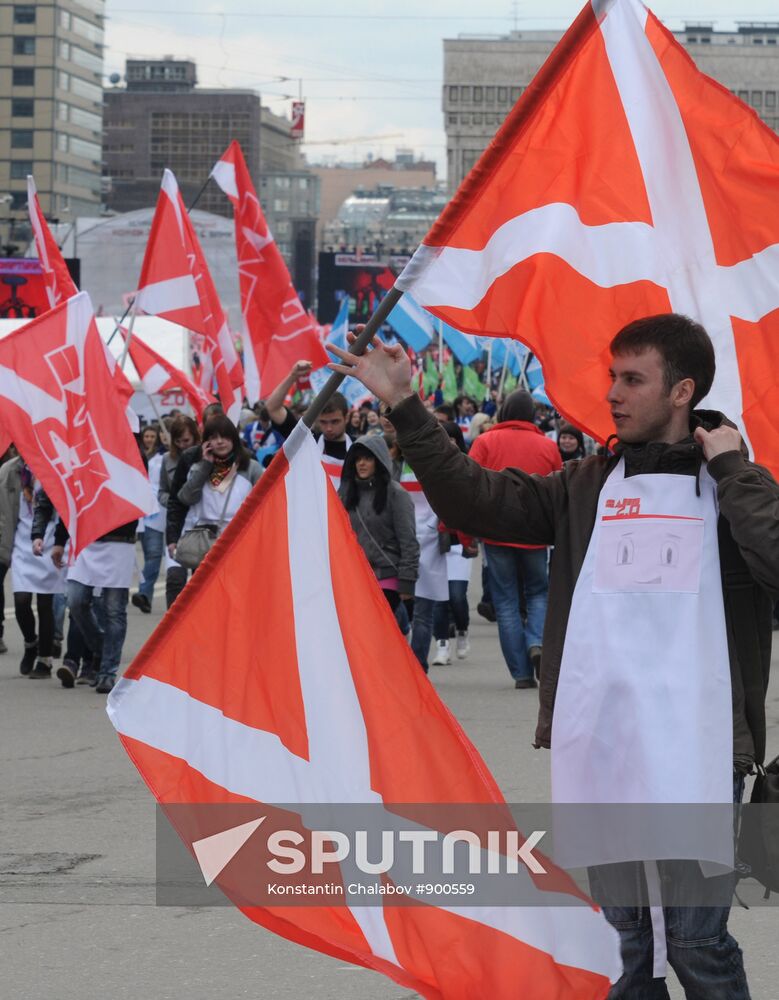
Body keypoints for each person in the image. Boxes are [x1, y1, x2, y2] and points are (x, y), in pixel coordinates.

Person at [329, 312, 778, 999]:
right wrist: (405, 406)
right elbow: (475, 501)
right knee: (625, 943)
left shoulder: (733, 486)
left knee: (694, 942)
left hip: (700, 753)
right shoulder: (586, 485)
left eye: (632, 379)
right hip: (602, 750)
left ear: (682, 390)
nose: (612, 394)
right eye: (611, 377)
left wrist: (731, 468)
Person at [467, 389, 562, 687]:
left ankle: (520, 673)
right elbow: (559, 491)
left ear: (504, 412)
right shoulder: (548, 446)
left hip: (496, 531)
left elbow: (466, 486)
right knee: (538, 593)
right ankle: (535, 641)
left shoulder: (484, 442)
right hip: (535, 533)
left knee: (506, 600)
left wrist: (464, 531)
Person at [0, 456, 67, 679]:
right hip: (22, 542)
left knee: (45, 603)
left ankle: (45, 659)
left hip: (49, 541)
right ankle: (31, 643)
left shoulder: (57, 466)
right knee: (20, 601)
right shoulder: (12, 471)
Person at [338, 435, 418, 614]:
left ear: (379, 460)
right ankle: (404, 630)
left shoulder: (397, 494)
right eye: (358, 459)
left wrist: (407, 582)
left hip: (387, 575)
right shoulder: (345, 493)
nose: (361, 463)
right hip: (355, 575)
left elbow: (408, 540)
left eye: (367, 458)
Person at [166, 414, 262, 563]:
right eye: (214, 437)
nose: (220, 442)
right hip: (204, 543)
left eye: (225, 437)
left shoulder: (251, 467)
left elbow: (266, 502)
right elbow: (185, 498)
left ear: (234, 439)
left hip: (240, 541)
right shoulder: (198, 467)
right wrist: (205, 465)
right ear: (206, 442)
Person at [266, 360, 352, 489]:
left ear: (347, 418)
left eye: (335, 422)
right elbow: (272, 407)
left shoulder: (357, 449)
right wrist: (293, 376)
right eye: (323, 422)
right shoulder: (306, 442)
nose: (329, 428)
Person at [431, 423, 476, 665]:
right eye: (443, 439)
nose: (448, 443)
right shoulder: (427, 465)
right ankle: (442, 646)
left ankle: (462, 631)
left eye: (452, 439)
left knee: (457, 596)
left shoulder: (468, 467)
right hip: (436, 542)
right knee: (440, 597)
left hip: (461, 541)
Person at [158, 415, 200, 609]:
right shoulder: (167, 459)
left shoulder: (203, 457)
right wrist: (176, 500)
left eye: (187, 440)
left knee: (199, 581)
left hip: (200, 526)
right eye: (178, 441)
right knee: (175, 579)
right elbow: (162, 492)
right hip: (177, 524)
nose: (183, 445)